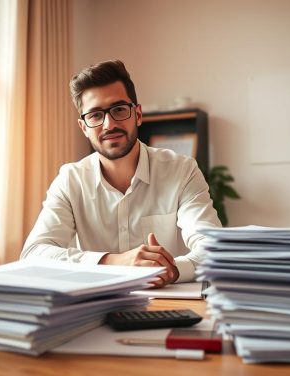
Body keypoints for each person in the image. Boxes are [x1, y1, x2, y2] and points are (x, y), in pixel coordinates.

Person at [21, 59, 221, 287]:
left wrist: (173, 270)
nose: (108, 124)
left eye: (118, 110)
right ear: (84, 127)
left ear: (137, 115)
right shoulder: (70, 180)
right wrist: (112, 261)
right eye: (95, 115)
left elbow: (213, 249)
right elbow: (34, 253)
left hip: (165, 303)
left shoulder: (182, 170)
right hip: (94, 308)